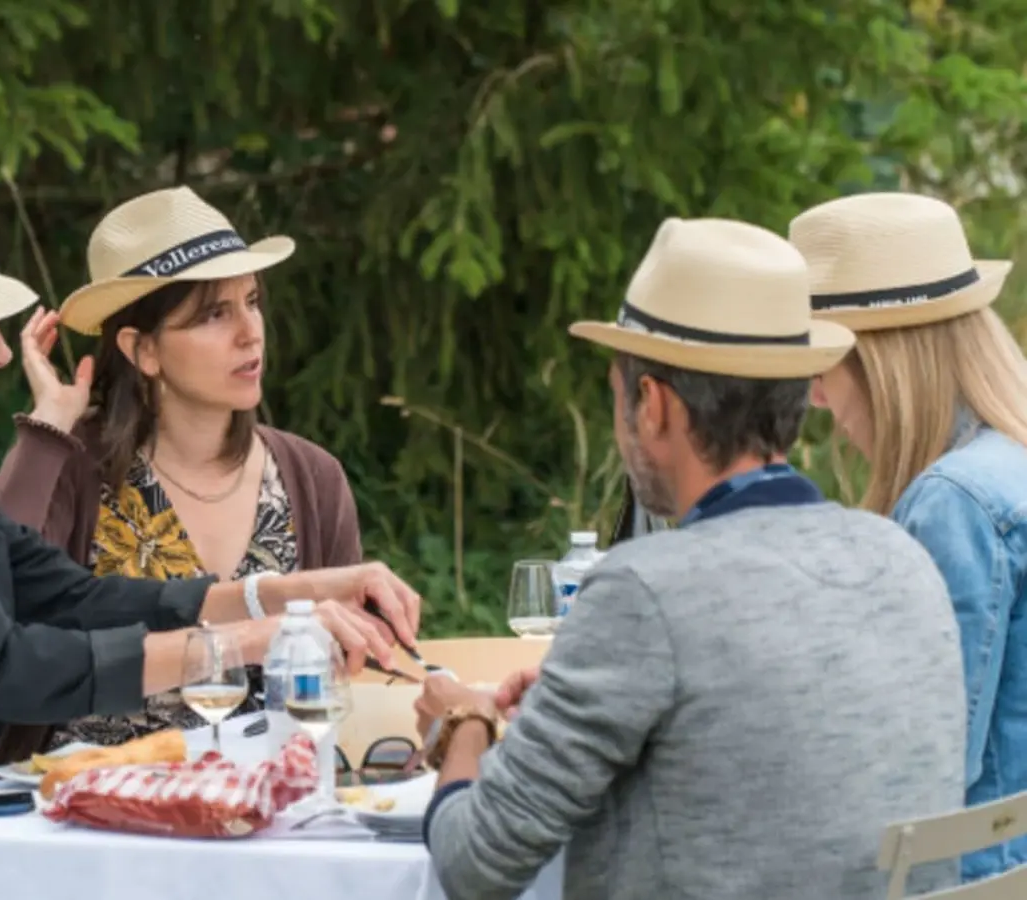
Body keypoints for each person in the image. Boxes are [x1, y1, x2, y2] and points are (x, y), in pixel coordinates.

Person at [412, 217, 966, 899]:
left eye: (617, 395)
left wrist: (465, 725)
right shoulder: (903, 558)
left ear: (652, 404)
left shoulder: (644, 592)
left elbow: (473, 865)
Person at [0, 196, 417, 828]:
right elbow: (3, 663)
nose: (0, 352)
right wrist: (246, 640)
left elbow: (68, 595)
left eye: (252, 302)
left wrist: (286, 595)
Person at [0, 185, 381, 763]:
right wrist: (47, 428)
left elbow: (338, 669)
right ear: (141, 349)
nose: (250, 331)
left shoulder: (310, 476)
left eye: (252, 301)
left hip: (266, 794)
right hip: (85, 799)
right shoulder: (72, 466)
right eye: (215, 314)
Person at [790, 191, 1027, 881]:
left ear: (885, 365)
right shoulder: (1007, 466)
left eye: (822, 368)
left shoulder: (954, 502)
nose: (815, 398)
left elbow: (922, 760)